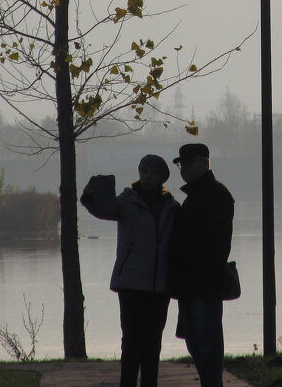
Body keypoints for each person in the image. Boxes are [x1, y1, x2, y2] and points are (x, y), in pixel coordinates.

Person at [81, 154, 178, 387]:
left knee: (153, 342)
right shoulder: (126, 201)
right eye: (144, 171)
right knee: (132, 341)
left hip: (159, 286)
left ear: (161, 178)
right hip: (131, 284)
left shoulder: (172, 207)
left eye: (153, 173)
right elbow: (103, 209)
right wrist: (90, 197)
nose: (147, 176)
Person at [169, 143, 235, 387]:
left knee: (206, 344)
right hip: (189, 284)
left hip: (204, 284)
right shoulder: (196, 197)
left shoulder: (216, 195)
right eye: (180, 164)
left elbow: (217, 245)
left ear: (204, 163)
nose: (183, 168)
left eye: (187, 163)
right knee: (196, 343)